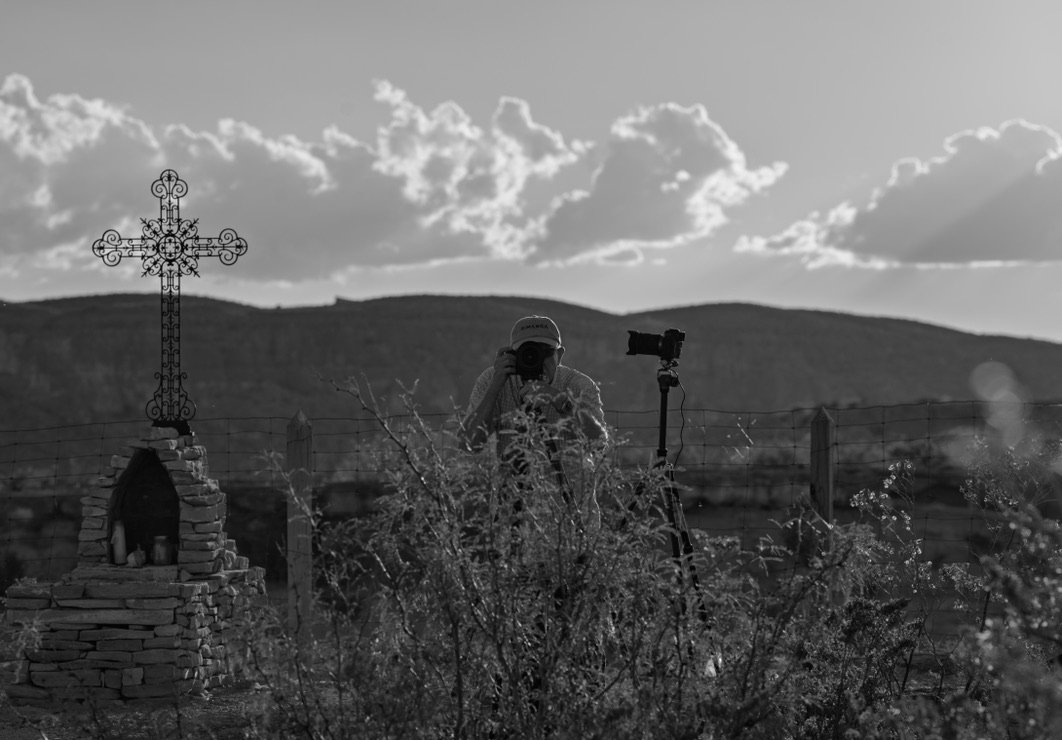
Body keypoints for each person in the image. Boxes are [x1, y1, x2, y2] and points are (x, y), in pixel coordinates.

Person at [459, 315, 608, 459]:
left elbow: (598, 445)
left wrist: (562, 403)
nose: (536, 359)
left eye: (545, 352)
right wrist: (494, 388)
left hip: (567, 483)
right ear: (512, 355)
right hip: (513, 483)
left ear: (559, 355)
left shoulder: (578, 385)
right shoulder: (493, 379)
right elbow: (468, 445)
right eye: (527, 353)